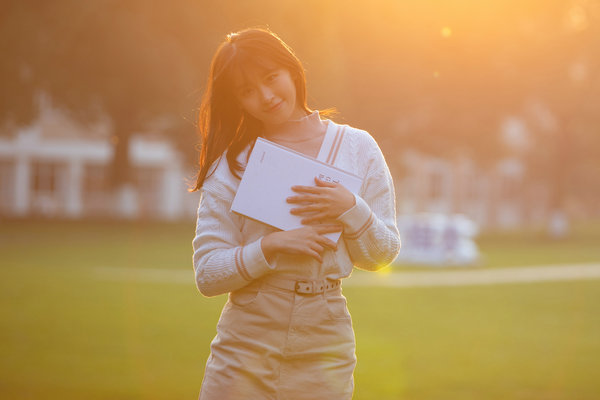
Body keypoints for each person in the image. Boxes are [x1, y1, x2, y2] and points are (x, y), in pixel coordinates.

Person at [191, 27, 400, 400]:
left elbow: (383, 254)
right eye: (247, 91)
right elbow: (207, 274)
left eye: (271, 78)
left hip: (325, 336)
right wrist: (270, 246)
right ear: (236, 101)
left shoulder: (357, 147)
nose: (266, 97)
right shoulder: (233, 163)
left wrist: (351, 209)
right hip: (247, 338)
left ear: (292, 70)